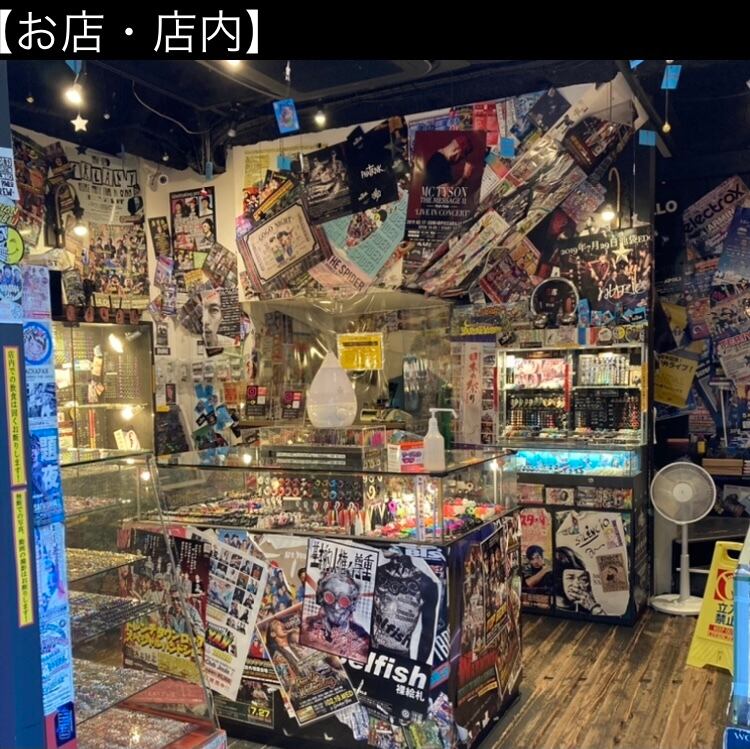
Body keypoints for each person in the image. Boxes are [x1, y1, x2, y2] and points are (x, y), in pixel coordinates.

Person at [554, 546, 604, 615]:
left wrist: (593, 606)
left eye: (583, 579)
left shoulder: (585, 607)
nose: (577, 584)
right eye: (570, 578)